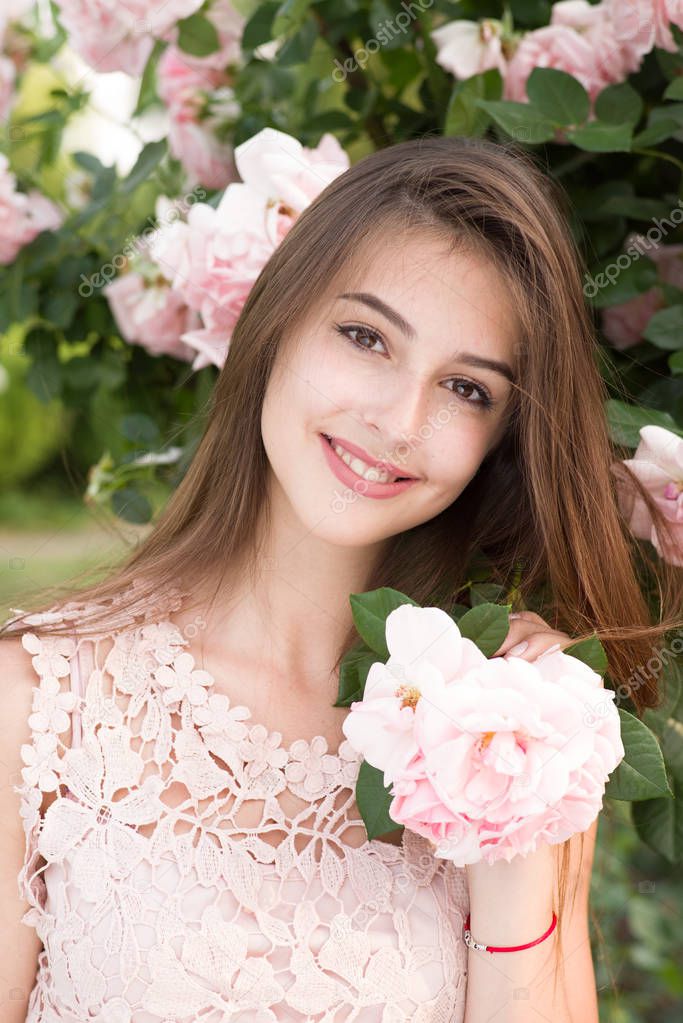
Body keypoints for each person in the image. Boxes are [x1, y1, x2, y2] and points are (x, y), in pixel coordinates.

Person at [1, 134, 680, 1023]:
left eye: (466, 389)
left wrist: (511, 831)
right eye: (365, 336)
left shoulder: (523, 739)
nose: (398, 419)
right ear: (277, 321)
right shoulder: (41, 697)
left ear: (500, 441)